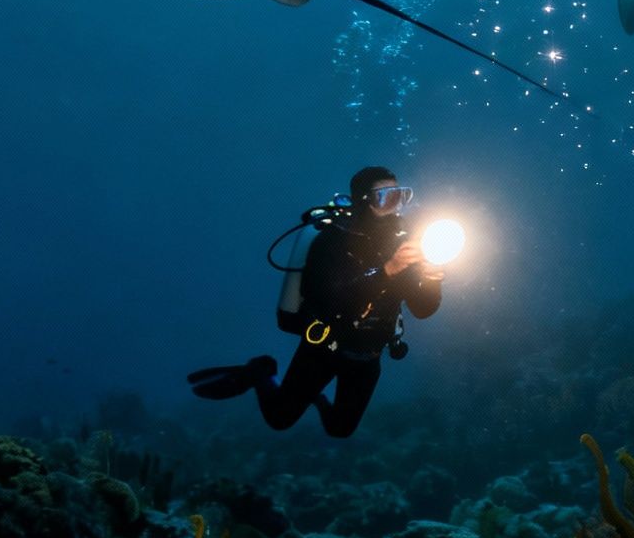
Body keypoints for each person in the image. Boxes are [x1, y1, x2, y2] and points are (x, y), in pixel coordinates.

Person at [187, 166, 443, 437]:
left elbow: (423, 309)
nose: (395, 206)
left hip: (368, 355)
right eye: (385, 197)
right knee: (279, 418)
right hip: (324, 346)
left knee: (340, 429)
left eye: (401, 196)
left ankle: (315, 397)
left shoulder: (405, 246)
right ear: (363, 201)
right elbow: (332, 300)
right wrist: (388, 270)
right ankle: (260, 371)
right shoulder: (331, 242)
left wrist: (430, 279)